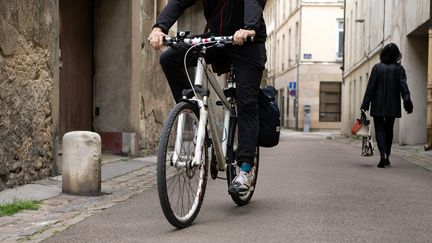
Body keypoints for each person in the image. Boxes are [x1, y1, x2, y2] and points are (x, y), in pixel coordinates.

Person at [148, 0, 267, 194]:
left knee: (247, 104)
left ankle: (245, 169)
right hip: (217, 40)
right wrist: (159, 27)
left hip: (248, 43)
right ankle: (194, 112)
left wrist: (249, 27)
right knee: (169, 59)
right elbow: (179, 2)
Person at [360, 43, 413, 168]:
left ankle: (382, 154)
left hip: (377, 105)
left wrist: (365, 105)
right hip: (392, 106)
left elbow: (370, 89)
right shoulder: (399, 69)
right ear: (396, 55)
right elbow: (403, 88)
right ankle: (387, 156)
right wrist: (407, 102)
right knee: (389, 130)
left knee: (379, 130)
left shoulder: (377, 68)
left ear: (383, 54)